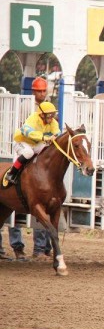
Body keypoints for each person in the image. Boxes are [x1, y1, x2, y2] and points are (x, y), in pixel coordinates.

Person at [5, 100, 61, 260]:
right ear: (42, 114)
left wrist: (53, 137)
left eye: (53, 115)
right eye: (49, 115)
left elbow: (57, 132)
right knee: (28, 154)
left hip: (37, 143)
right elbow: (29, 133)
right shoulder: (32, 119)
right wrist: (45, 137)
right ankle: (13, 173)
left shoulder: (53, 122)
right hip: (22, 142)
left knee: (46, 152)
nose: (51, 117)